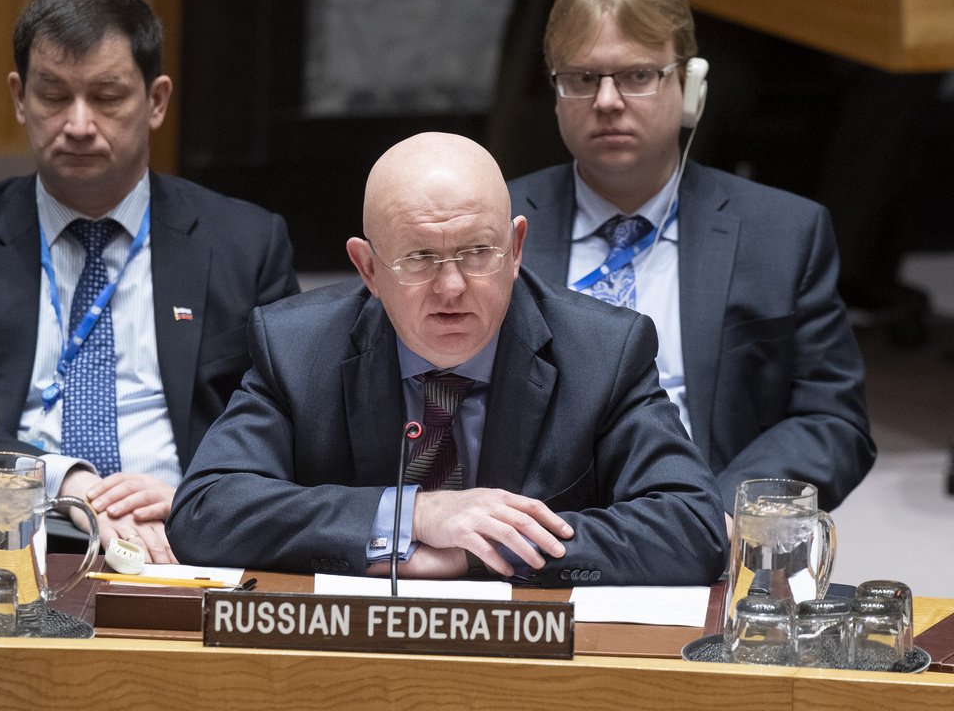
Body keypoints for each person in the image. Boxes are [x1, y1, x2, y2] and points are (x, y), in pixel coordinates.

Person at [166, 132, 727, 586]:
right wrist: (412, 516)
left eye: (478, 252)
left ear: (516, 249)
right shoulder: (298, 346)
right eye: (419, 258)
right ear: (368, 269)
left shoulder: (603, 351)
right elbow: (206, 512)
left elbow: (692, 527)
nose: (452, 287)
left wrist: (478, 552)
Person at [0, 0, 299, 561]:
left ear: (156, 102)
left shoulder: (246, 243)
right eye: (53, 96)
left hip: (181, 533)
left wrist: (200, 499)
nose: (78, 124)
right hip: (5, 536)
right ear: (20, 97)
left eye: (107, 97)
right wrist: (66, 484)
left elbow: (287, 420)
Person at [507, 0, 875, 520]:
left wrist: (728, 514)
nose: (607, 101)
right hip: (537, 535)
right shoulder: (493, 226)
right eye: (582, 79)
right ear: (556, 93)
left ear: (691, 85)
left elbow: (832, 419)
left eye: (637, 75)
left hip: (712, 528)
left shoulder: (783, 234)